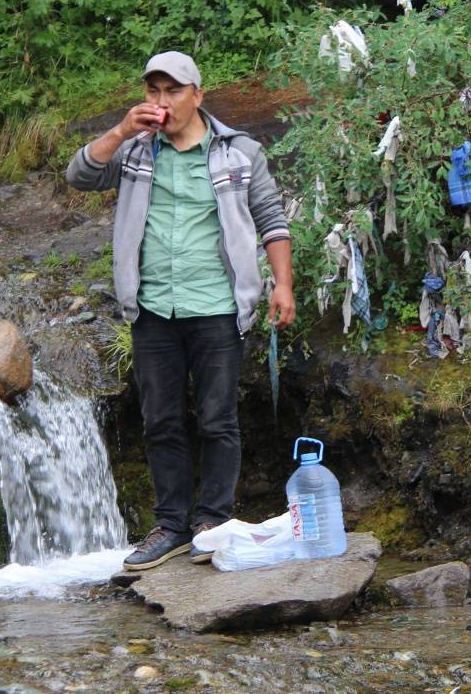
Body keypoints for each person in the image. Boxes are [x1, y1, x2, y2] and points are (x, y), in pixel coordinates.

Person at [66, 51, 295, 571]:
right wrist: (122, 128)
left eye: (172, 91)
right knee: (161, 420)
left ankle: (211, 522)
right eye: (153, 91)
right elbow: (80, 175)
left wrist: (283, 284)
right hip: (152, 307)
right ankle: (170, 525)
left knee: (217, 419)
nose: (161, 101)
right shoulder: (135, 151)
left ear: (198, 94)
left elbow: (272, 220)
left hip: (217, 306)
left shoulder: (239, 153)